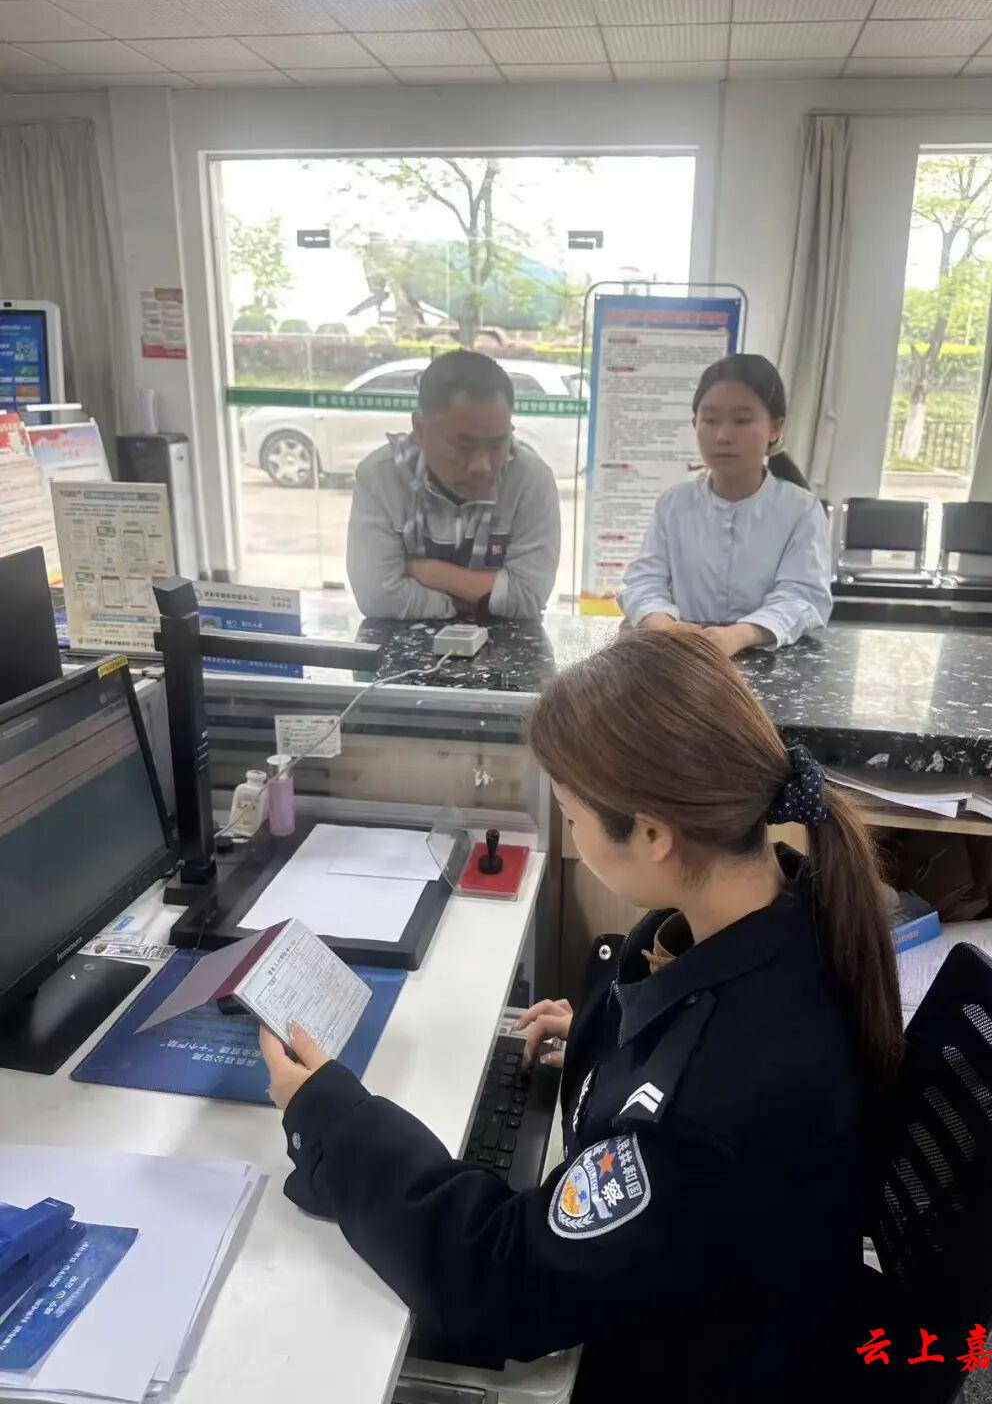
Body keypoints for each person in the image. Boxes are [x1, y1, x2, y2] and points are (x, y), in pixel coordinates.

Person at [261, 629, 903, 1402]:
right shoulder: (793, 912)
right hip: (738, 1298)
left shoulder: (715, 1102)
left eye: (571, 815)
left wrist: (329, 1119)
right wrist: (606, 1042)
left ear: (654, 834)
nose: (567, 832)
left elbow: (498, 1283)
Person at [618, 353, 832, 657]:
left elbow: (803, 596)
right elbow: (644, 581)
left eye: (742, 421)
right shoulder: (673, 505)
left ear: (775, 428)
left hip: (769, 655)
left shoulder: (801, 509)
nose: (723, 436)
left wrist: (740, 635)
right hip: (683, 655)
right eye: (710, 420)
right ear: (695, 423)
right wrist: (661, 624)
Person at [346, 350, 560, 621]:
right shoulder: (381, 477)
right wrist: (469, 605)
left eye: (497, 445)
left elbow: (528, 597)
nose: (482, 465)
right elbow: (376, 597)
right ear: (420, 430)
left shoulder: (531, 480)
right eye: (463, 446)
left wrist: (428, 573)